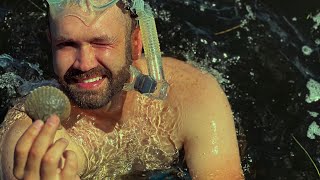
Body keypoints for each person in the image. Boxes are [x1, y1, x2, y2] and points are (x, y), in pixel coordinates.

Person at [0, 0, 244, 179]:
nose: (85, 63)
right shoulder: (35, 135)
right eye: (67, 44)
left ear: (135, 43)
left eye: (101, 42)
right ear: (51, 43)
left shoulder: (190, 93)